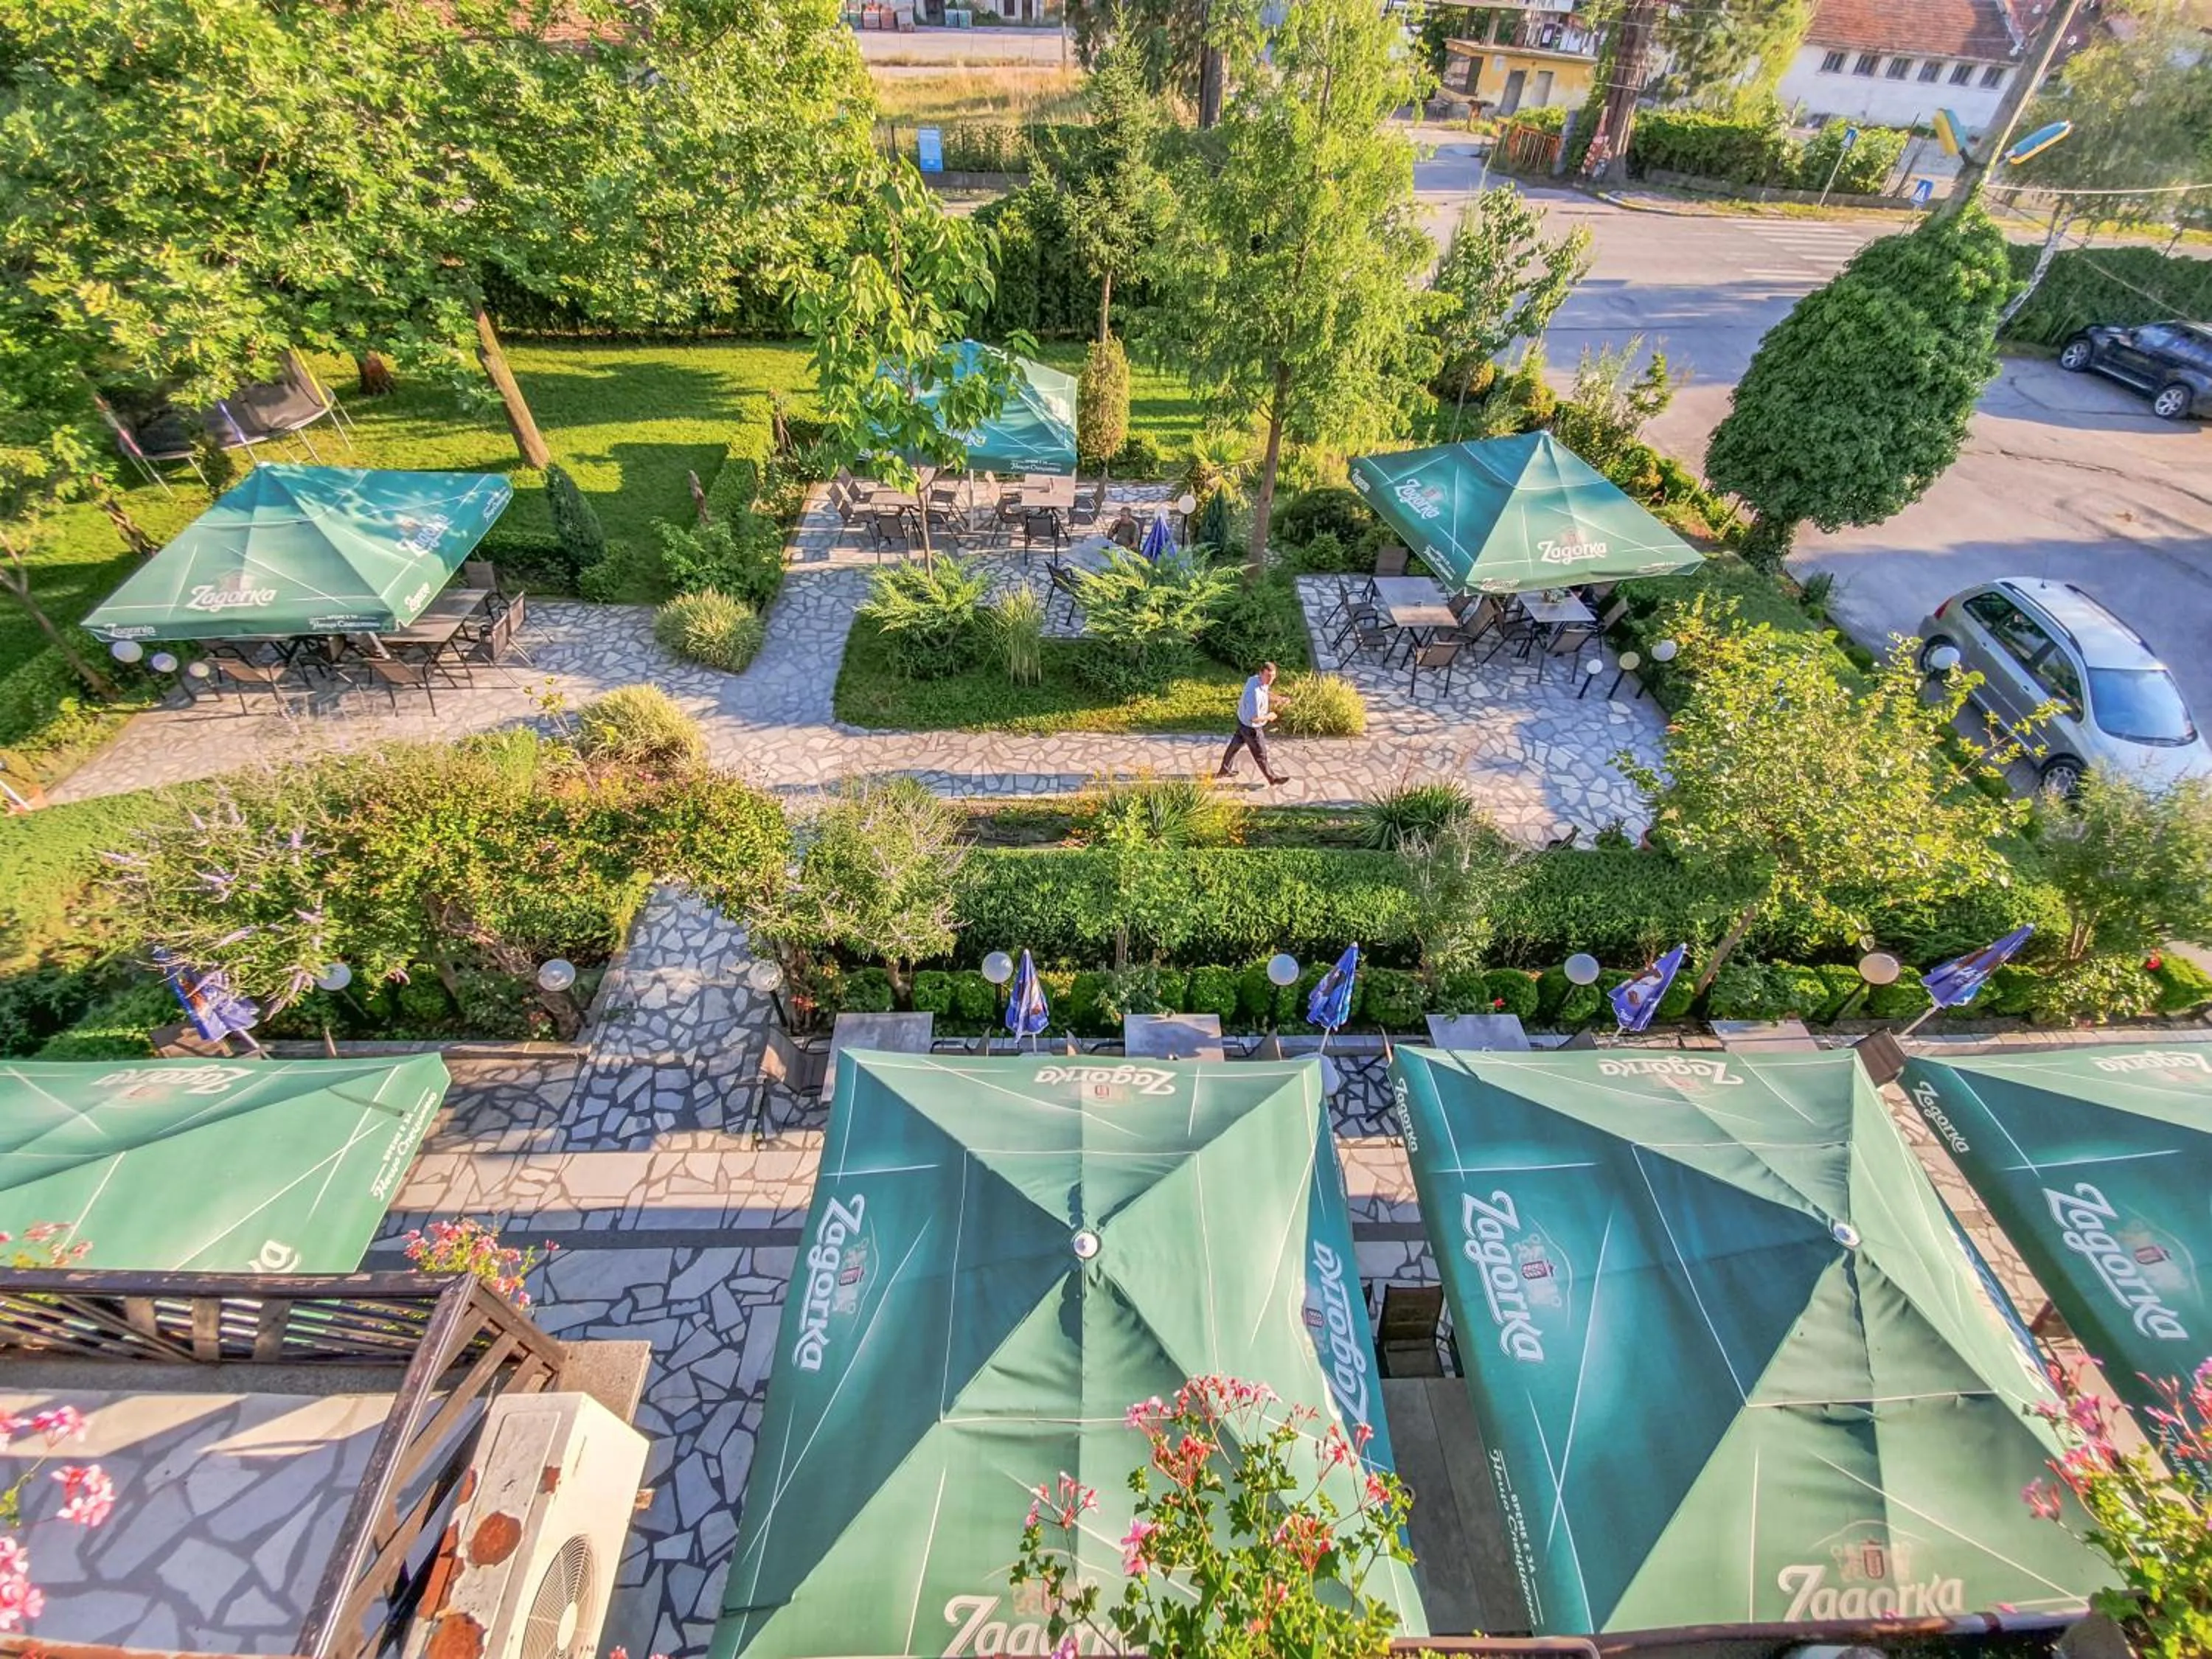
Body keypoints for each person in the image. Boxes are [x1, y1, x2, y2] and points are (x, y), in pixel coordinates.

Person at [1218, 661, 1291, 785]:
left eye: (1273, 676)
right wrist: (1270, 716)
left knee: (1235, 746)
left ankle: (1225, 770)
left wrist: (1279, 699)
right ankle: (1272, 779)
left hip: (1242, 721)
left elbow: (1266, 692)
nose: (1270, 680)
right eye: (1268, 676)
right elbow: (1255, 718)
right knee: (1261, 754)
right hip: (1251, 729)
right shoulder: (1254, 694)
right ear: (1261, 673)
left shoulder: (1255, 680)